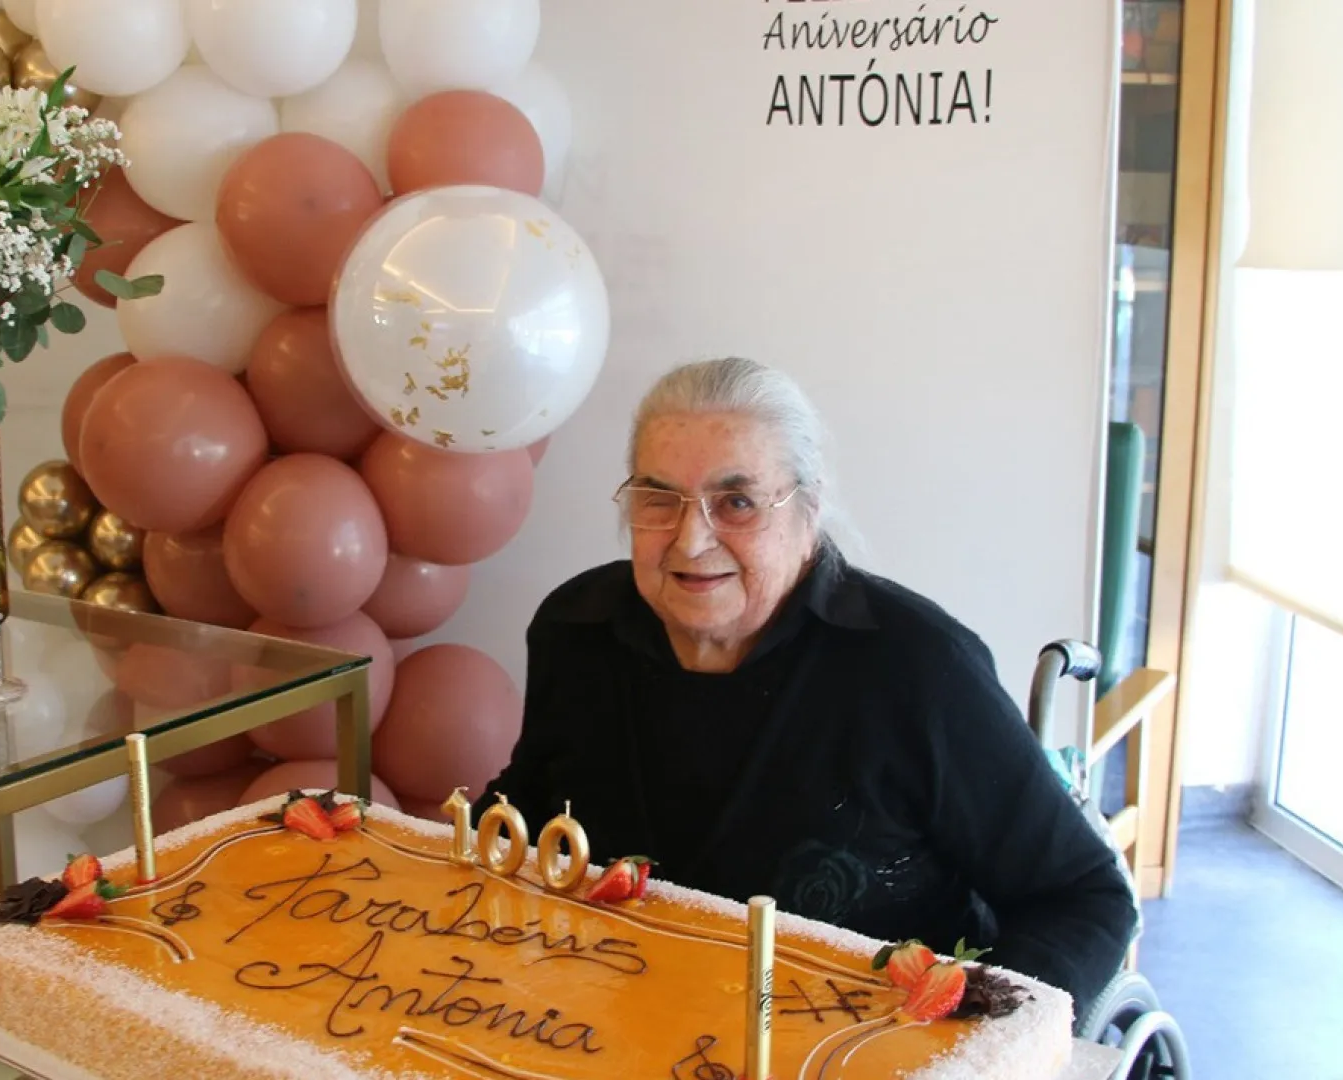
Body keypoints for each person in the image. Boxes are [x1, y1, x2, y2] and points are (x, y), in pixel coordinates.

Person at [479, 356, 1137, 1023]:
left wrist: (973, 1044)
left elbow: (1082, 896)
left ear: (808, 510)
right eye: (659, 499)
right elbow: (528, 812)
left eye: (737, 502)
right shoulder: (578, 629)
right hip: (616, 1019)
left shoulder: (916, 668)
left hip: (855, 1043)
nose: (691, 539)